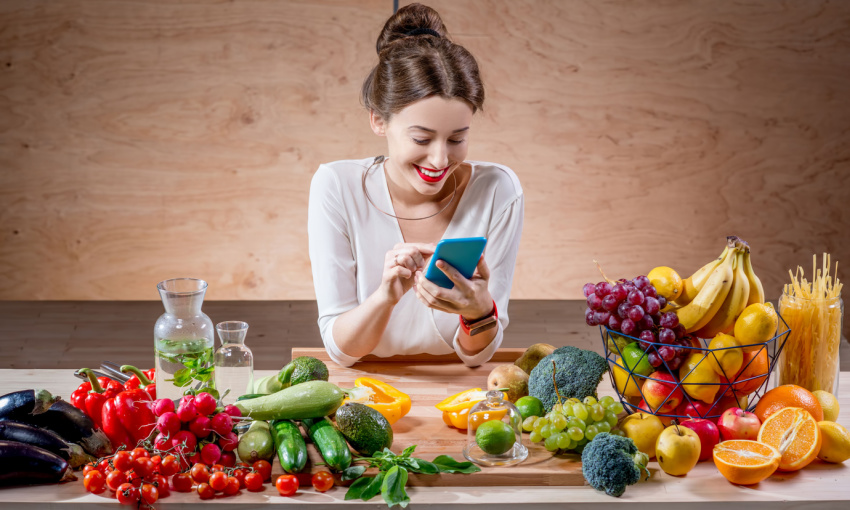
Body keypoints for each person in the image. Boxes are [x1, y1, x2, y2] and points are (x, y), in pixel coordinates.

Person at [308, 3, 523, 367]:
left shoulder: (498, 191)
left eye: (457, 139)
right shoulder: (336, 186)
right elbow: (341, 351)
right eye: (422, 140)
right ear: (378, 120)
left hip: (457, 388)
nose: (440, 160)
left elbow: (477, 357)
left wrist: (478, 311)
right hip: (364, 387)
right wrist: (385, 297)